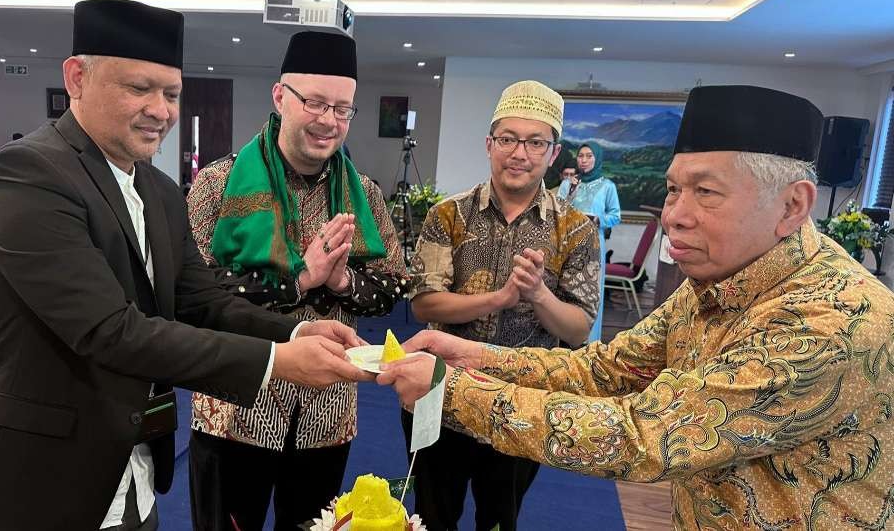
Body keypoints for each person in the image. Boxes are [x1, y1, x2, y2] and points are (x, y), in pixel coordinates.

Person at [0, 0, 370, 531]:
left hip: (128, 469)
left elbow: (199, 299)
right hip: (32, 479)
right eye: (138, 88)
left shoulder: (155, 187)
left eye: (172, 93)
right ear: (76, 78)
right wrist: (276, 362)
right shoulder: (29, 174)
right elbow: (110, 331)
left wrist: (294, 332)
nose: (161, 109)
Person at [381, 84, 894, 530]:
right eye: (673, 189)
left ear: (792, 205)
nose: (675, 216)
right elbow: (608, 368)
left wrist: (452, 388)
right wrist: (477, 357)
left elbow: (642, 435)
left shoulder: (832, 320)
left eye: (706, 192)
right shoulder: (711, 287)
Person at [187, 31, 409, 530]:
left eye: (342, 109)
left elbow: (394, 288)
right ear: (280, 96)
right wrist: (300, 280)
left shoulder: (365, 196)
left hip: (325, 417)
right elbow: (195, 291)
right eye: (314, 102)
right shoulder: (218, 184)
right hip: (235, 408)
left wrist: (342, 283)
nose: (328, 120)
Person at [403, 80, 601, 531]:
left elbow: (577, 330)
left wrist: (538, 295)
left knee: (500, 517)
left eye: (535, 142)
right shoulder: (447, 215)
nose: (520, 153)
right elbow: (424, 304)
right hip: (438, 392)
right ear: (490, 144)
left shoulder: (576, 230)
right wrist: (499, 299)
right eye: (508, 139)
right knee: (432, 514)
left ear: (554, 154)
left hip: (521, 402)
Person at [557, 142, 620, 343]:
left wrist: (598, 219)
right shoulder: (569, 184)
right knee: (565, 286)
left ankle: (589, 341)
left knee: (591, 290)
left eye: (589, 156)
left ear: (597, 159)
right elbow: (556, 210)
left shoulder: (607, 187)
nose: (584, 160)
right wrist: (571, 191)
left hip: (594, 243)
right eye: (581, 156)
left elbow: (616, 216)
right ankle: (563, 336)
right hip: (568, 243)